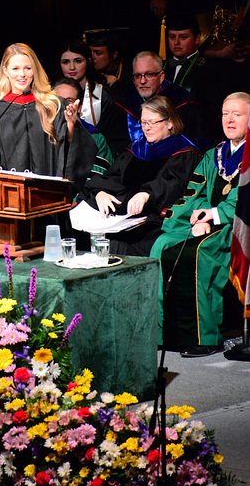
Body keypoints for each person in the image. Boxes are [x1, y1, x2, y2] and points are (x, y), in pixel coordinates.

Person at [151, 92, 250, 356]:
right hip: (208, 222)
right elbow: (194, 194)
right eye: (225, 114)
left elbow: (245, 202)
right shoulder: (214, 154)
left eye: (237, 115)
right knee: (162, 244)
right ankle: (165, 333)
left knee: (200, 252)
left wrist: (212, 216)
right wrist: (192, 217)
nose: (229, 120)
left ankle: (206, 337)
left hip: (237, 228)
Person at [76, 95, 201, 256]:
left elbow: (173, 184)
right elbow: (111, 178)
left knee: (117, 245)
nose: (147, 128)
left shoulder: (184, 153)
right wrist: (99, 193)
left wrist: (146, 194)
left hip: (158, 222)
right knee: (81, 236)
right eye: (143, 122)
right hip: (124, 220)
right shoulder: (136, 150)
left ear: (169, 122)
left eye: (153, 122)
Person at [0, 43, 97, 194]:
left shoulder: (53, 105)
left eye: (27, 68)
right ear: (6, 71)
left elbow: (71, 153)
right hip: (10, 198)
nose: (22, 74)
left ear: (35, 69)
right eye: (15, 68)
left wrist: (70, 125)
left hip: (48, 196)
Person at [106, 51, 210, 154]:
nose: (142, 81)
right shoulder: (125, 100)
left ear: (161, 77)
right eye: (138, 76)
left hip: (172, 164)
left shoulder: (183, 103)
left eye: (149, 74)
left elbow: (195, 145)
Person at [53, 77, 114, 178]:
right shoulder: (44, 134)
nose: (63, 105)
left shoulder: (95, 138)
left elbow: (97, 180)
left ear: (79, 107)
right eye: (58, 100)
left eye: (69, 101)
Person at [55, 38, 112, 128]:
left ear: (88, 61)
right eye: (66, 62)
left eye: (78, 61)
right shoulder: (50, 94)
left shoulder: (102, 96)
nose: (72, 67)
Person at [83, 28, 132, 94]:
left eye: (98, 53)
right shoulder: (89, 72)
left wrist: (115, 85)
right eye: (90, 53)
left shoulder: (129, 76)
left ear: (114, 54)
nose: (92, 57)